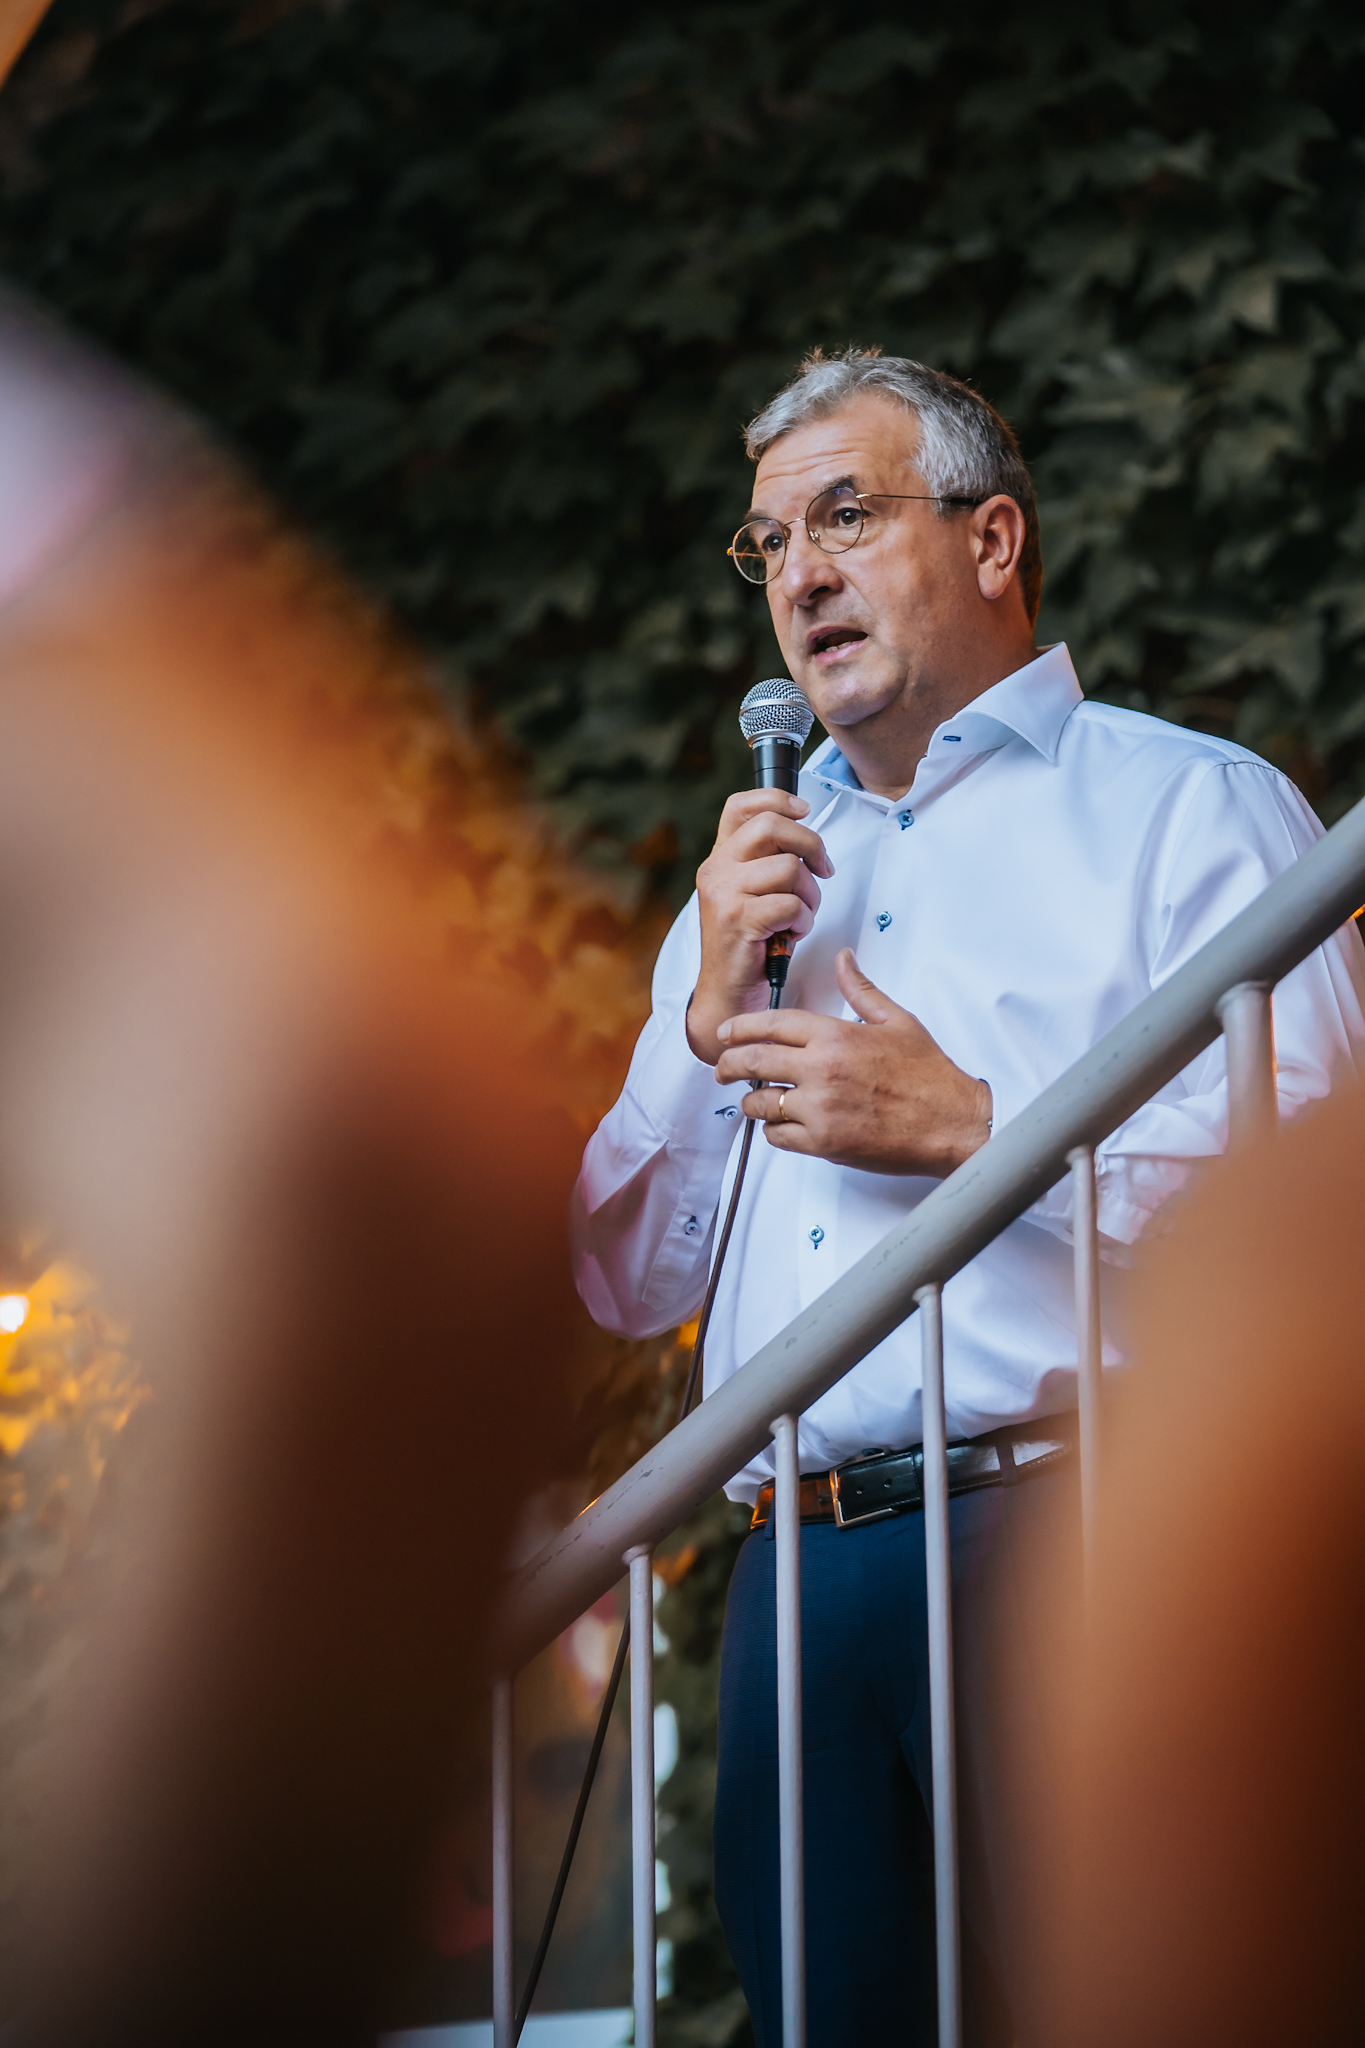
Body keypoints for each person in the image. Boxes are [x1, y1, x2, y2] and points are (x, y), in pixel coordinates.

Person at [571, 348, 1365, 2045]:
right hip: (794, 1577)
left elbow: (1320, 1238)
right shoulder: (761, 870)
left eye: (842, 516)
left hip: (1081, 1528)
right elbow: (626, 1278)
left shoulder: (1187, 810)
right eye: (766, 542)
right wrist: (701, 1030)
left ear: (992, 540)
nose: (794, 575)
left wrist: (976, 1131)